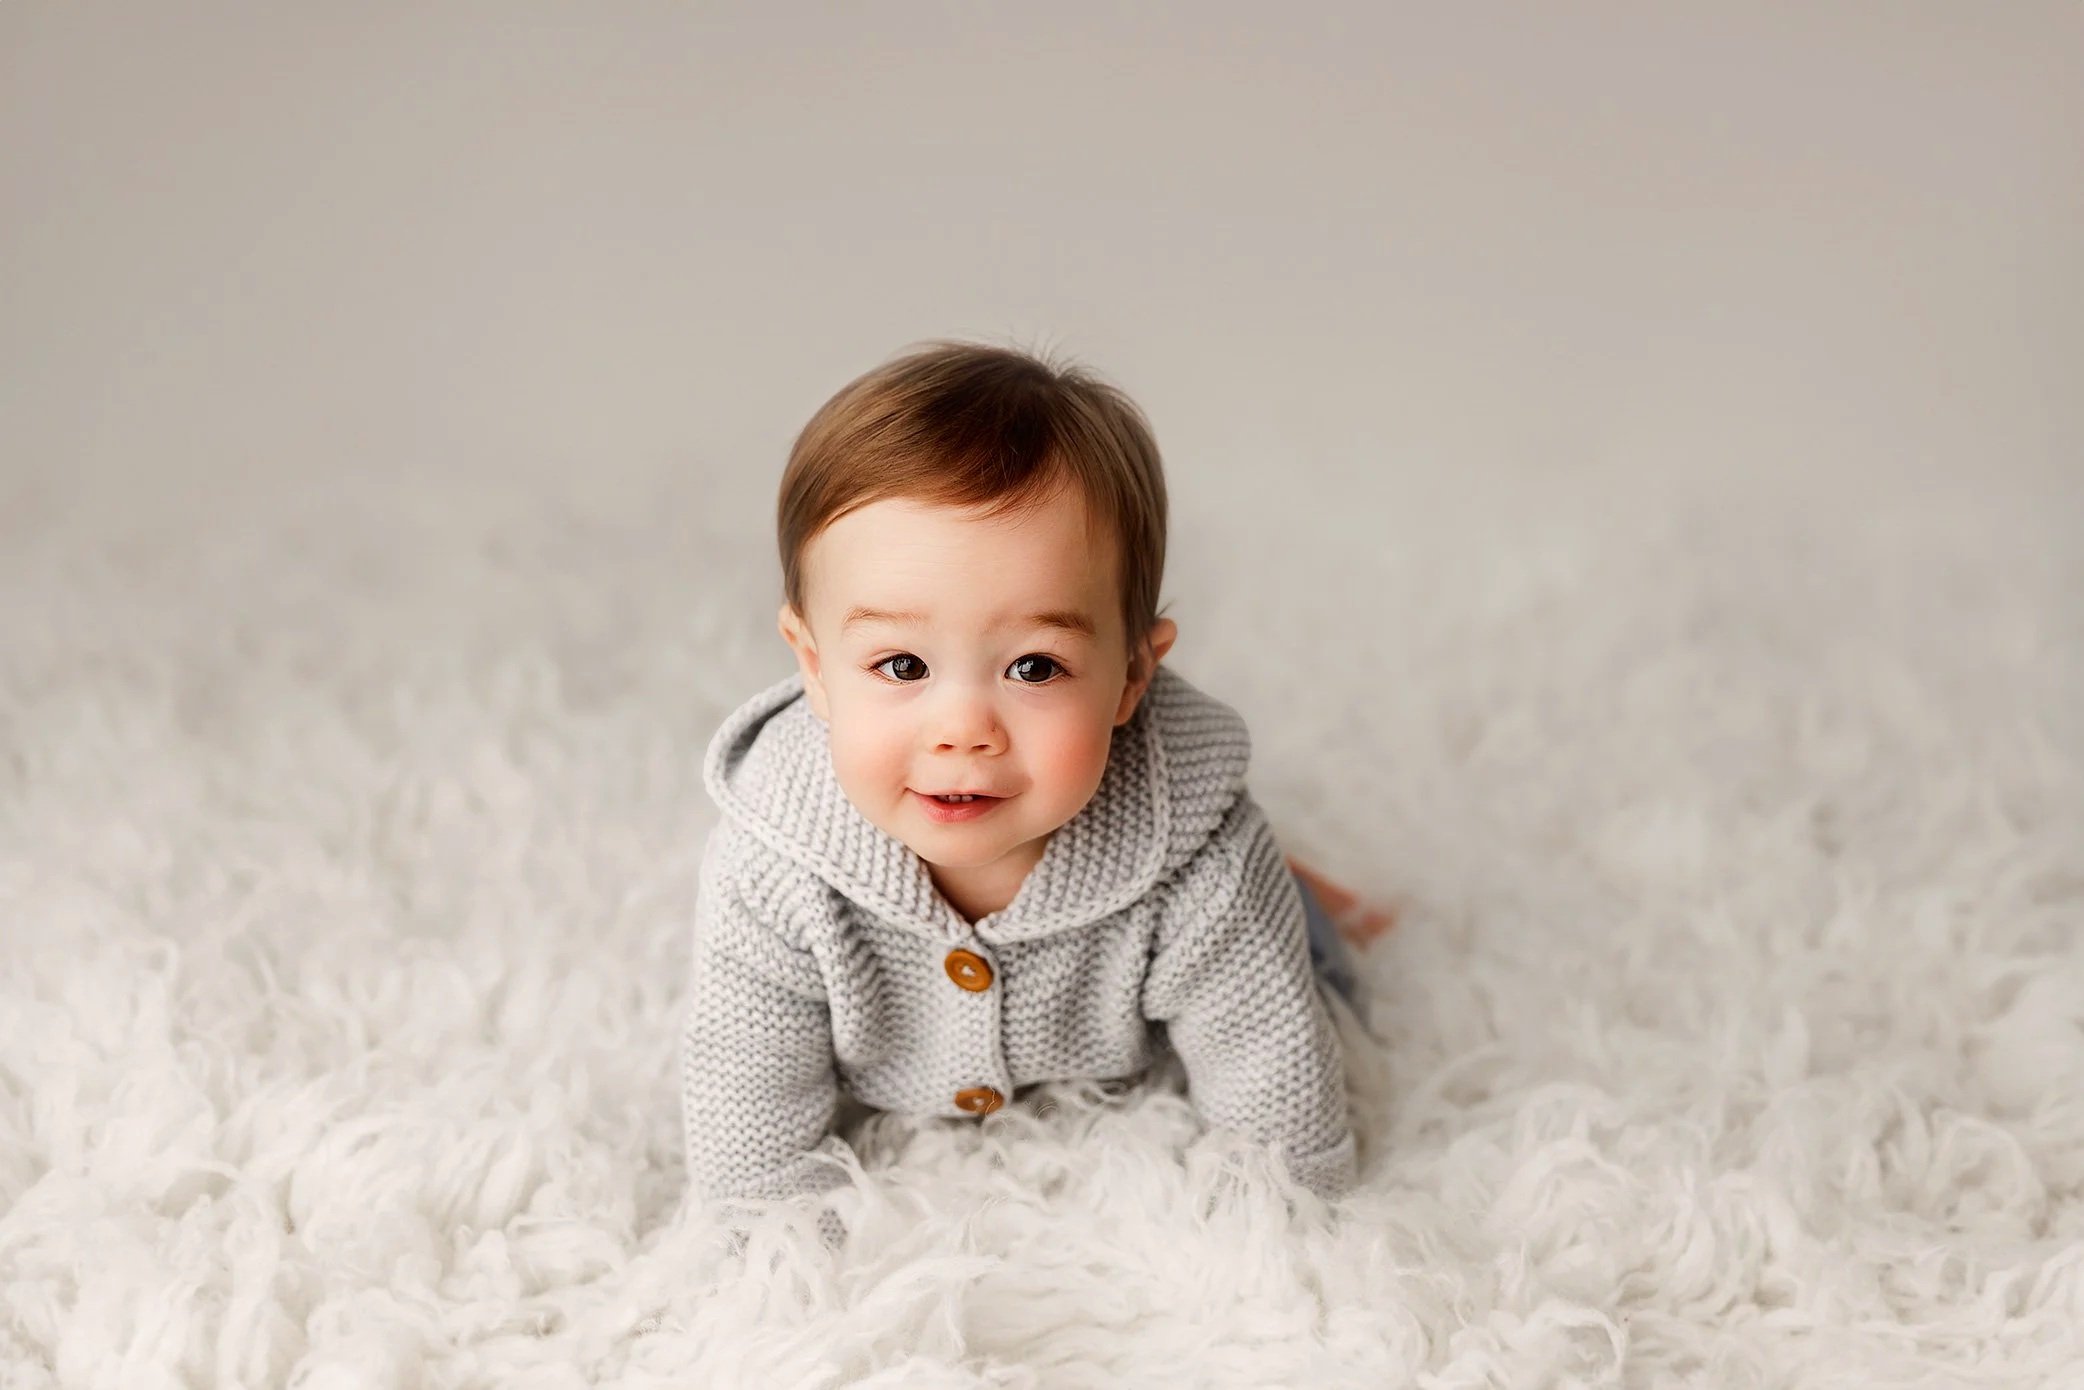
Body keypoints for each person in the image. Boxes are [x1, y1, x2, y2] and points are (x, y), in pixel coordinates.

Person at [681, 339, 1393, 1249]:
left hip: (1199, 883)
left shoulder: (1201, 861)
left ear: (1133, 673)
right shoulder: (772, 863)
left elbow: (1273, 1066)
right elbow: (745, 1085)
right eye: (902, 665)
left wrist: (1290, 1220)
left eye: (1033, 665)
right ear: (815, 669)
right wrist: (772, 1241)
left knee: (1300, 943)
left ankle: (1302, 886)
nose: (964, 729)